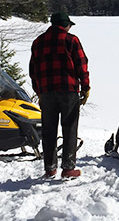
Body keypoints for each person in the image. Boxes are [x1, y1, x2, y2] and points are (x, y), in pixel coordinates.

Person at [29, 12, 90, 179]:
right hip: (68, 90)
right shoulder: (71, 40)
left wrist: (39, 91)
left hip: (47, 92)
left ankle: (50, 167)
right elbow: (81, 64)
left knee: (48, 129)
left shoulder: (38, 42)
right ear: (65, 25)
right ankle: (68, 167)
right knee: (69, 127)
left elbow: (33, 71)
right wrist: (85, 87)